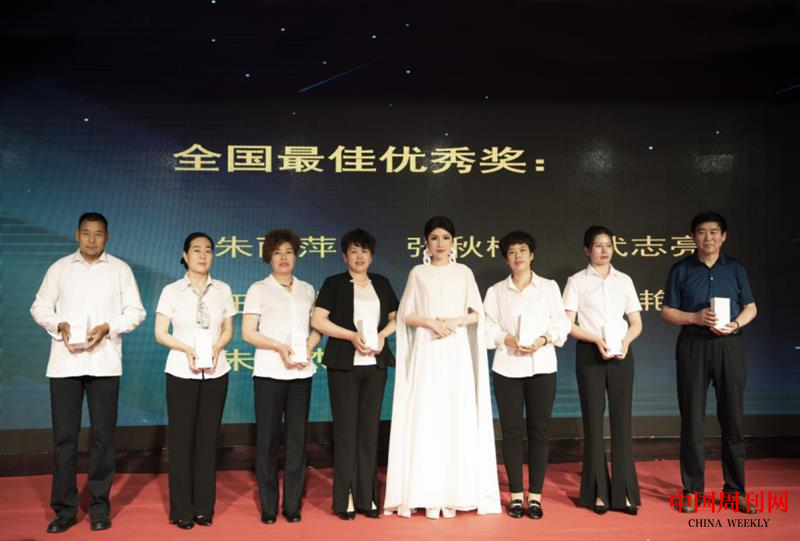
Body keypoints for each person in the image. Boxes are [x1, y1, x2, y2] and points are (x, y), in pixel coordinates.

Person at [30, 212, 146, 534]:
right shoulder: (59, 269)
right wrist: (59, 324)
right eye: (86, 233)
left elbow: (136, 312)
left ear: (107, 236)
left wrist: (109, 327)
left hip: (104, 364)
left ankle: (99, 507)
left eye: (98, 234)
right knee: (64, 438)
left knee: (103, 439)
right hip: (64, 365)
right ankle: (65, 509)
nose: (92, 239)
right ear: (76, 235)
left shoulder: (120, 270)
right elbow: (39, 307)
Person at [384, 216, 501, 519]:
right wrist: (430, 322)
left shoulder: (464, 272)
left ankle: (455, 493)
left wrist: (456, 321)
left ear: (453, 242)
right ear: (426, 242)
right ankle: (426, 493)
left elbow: (477, 313)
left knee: (455, 414)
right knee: (426, 415)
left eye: (445, 238)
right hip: (427, 349)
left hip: (455, 350)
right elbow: (406, 315)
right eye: (434, 238)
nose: (440, 244)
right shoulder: (417, 273)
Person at [661, 212, 758, 514]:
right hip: (693, 345)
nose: (708, 238)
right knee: (692, 419)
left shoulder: (736, 268)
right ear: (693, 237)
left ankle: (735, 490)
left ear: (723, 236)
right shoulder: (681, 269)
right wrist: (694, 317)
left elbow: (751, 307)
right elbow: (667, 311)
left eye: (714, 232)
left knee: (733, 418)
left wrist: (736, 324)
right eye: (701, 232)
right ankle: (692, 489)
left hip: (729, 346)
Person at [311, 229, 399, 520]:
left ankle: (367, 497)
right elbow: (318, 320)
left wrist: (383, 335)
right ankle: (345, 497)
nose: (359, 256)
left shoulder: (381, 283)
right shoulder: (334, 283)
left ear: (371, 256)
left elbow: (396, 317)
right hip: (344, 367)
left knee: (369, 432)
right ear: (344, 256)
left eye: (364, 251)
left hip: (375, 366)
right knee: (346, 432)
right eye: (353, 251)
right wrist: (350, 335)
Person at [484, 231, 570, 519]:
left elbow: (561, 324)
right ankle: (515, 495)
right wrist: (507, 338)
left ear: (532, 255)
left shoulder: (548, 287)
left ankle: (535, 496)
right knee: (511, 432)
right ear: (506, 259)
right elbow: (487, 327)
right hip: (507, 368)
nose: (517, 256)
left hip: (542, 366)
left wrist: (543, 339)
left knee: (539, 431)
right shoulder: (496, 291)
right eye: (511, 252)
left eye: (522, 250)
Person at [154, 233, 235, 529]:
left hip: (215, 372)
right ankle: (182, 510)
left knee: (207, 440)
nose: (203, 256)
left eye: (208, 251)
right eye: (196, 250)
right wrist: (186, 349)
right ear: (185, 256)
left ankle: (203, 508)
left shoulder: (223, 290)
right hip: (181, 372)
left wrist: (216, 348)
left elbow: (228, 330)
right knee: (181, 441)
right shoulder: (172, 291)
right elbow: (160, 333)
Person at [242, 229, 321, 524]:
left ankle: (292, 505)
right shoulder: (258, 289)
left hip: (301, 373)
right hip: (269, 373)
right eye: (277, 253)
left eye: (289, 252)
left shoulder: (307, 289)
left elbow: (317, 328)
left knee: (297, 441)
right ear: (269, 257)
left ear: (296, 256)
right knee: (267, 441)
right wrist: (278, 347)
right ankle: (268, 506)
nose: (284, 258)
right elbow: (248, 333)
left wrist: (309, 347)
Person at [562, 226, 643, 515]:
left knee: (622, 422)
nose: (604, 250)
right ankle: (597, 492)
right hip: (590, 353)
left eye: (608, 244)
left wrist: (626, 342)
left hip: (621, 353)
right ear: (587, 250)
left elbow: (636, 322)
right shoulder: (576, 281)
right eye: (598, 245)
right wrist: (596, 339)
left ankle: (624, 493)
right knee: (594, 423)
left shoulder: (624, 280)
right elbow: (567, 324)